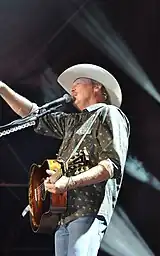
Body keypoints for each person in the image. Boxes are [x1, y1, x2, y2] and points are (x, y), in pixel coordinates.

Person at [0, 63, 130, 256]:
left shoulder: (109, 113)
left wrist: (69, 182)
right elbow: (33, 115)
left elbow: (111, 165)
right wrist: (2, 88)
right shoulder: (73, 122)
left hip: (88, 208)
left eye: (78, 82)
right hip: (62, 212)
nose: (72, 88)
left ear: (97, 87)